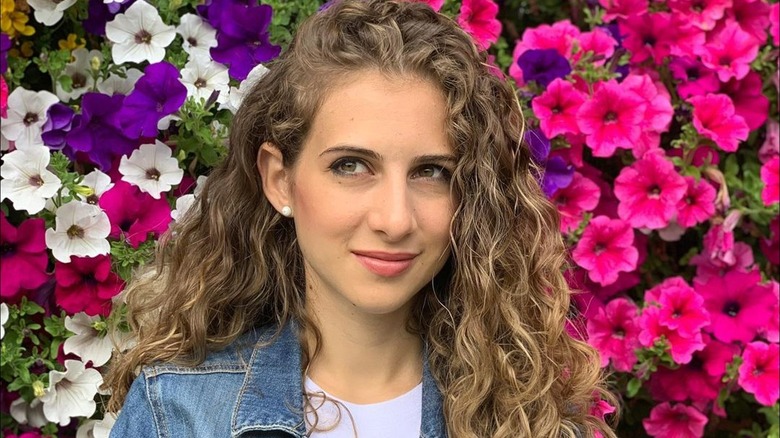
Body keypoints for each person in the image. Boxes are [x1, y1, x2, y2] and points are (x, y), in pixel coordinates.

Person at [105, 0, 617, 436]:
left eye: (432, 172)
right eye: (351, 166)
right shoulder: (179, 414)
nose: (395, 220)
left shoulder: (530, 412)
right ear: (279, 179)